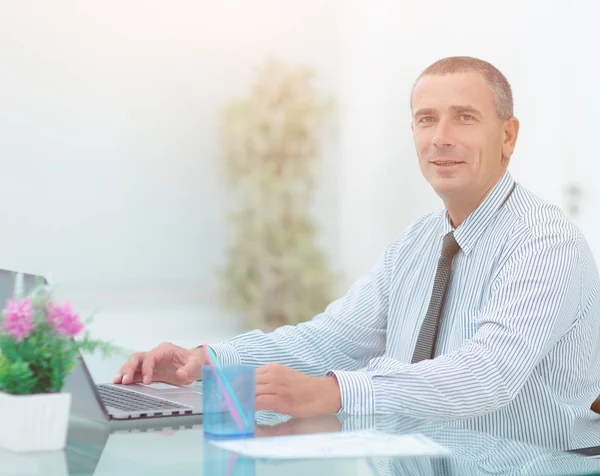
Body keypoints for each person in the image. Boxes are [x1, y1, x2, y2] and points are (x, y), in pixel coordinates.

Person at [115, 56, 600, 449]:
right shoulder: (417, 241)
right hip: (418, 457)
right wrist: (210, 358)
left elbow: (485, 375)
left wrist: (333, 391)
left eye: (465, 118)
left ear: (508, 136)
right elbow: (330, 339)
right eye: (426, 119)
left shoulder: (545, 243)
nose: (440, 137)